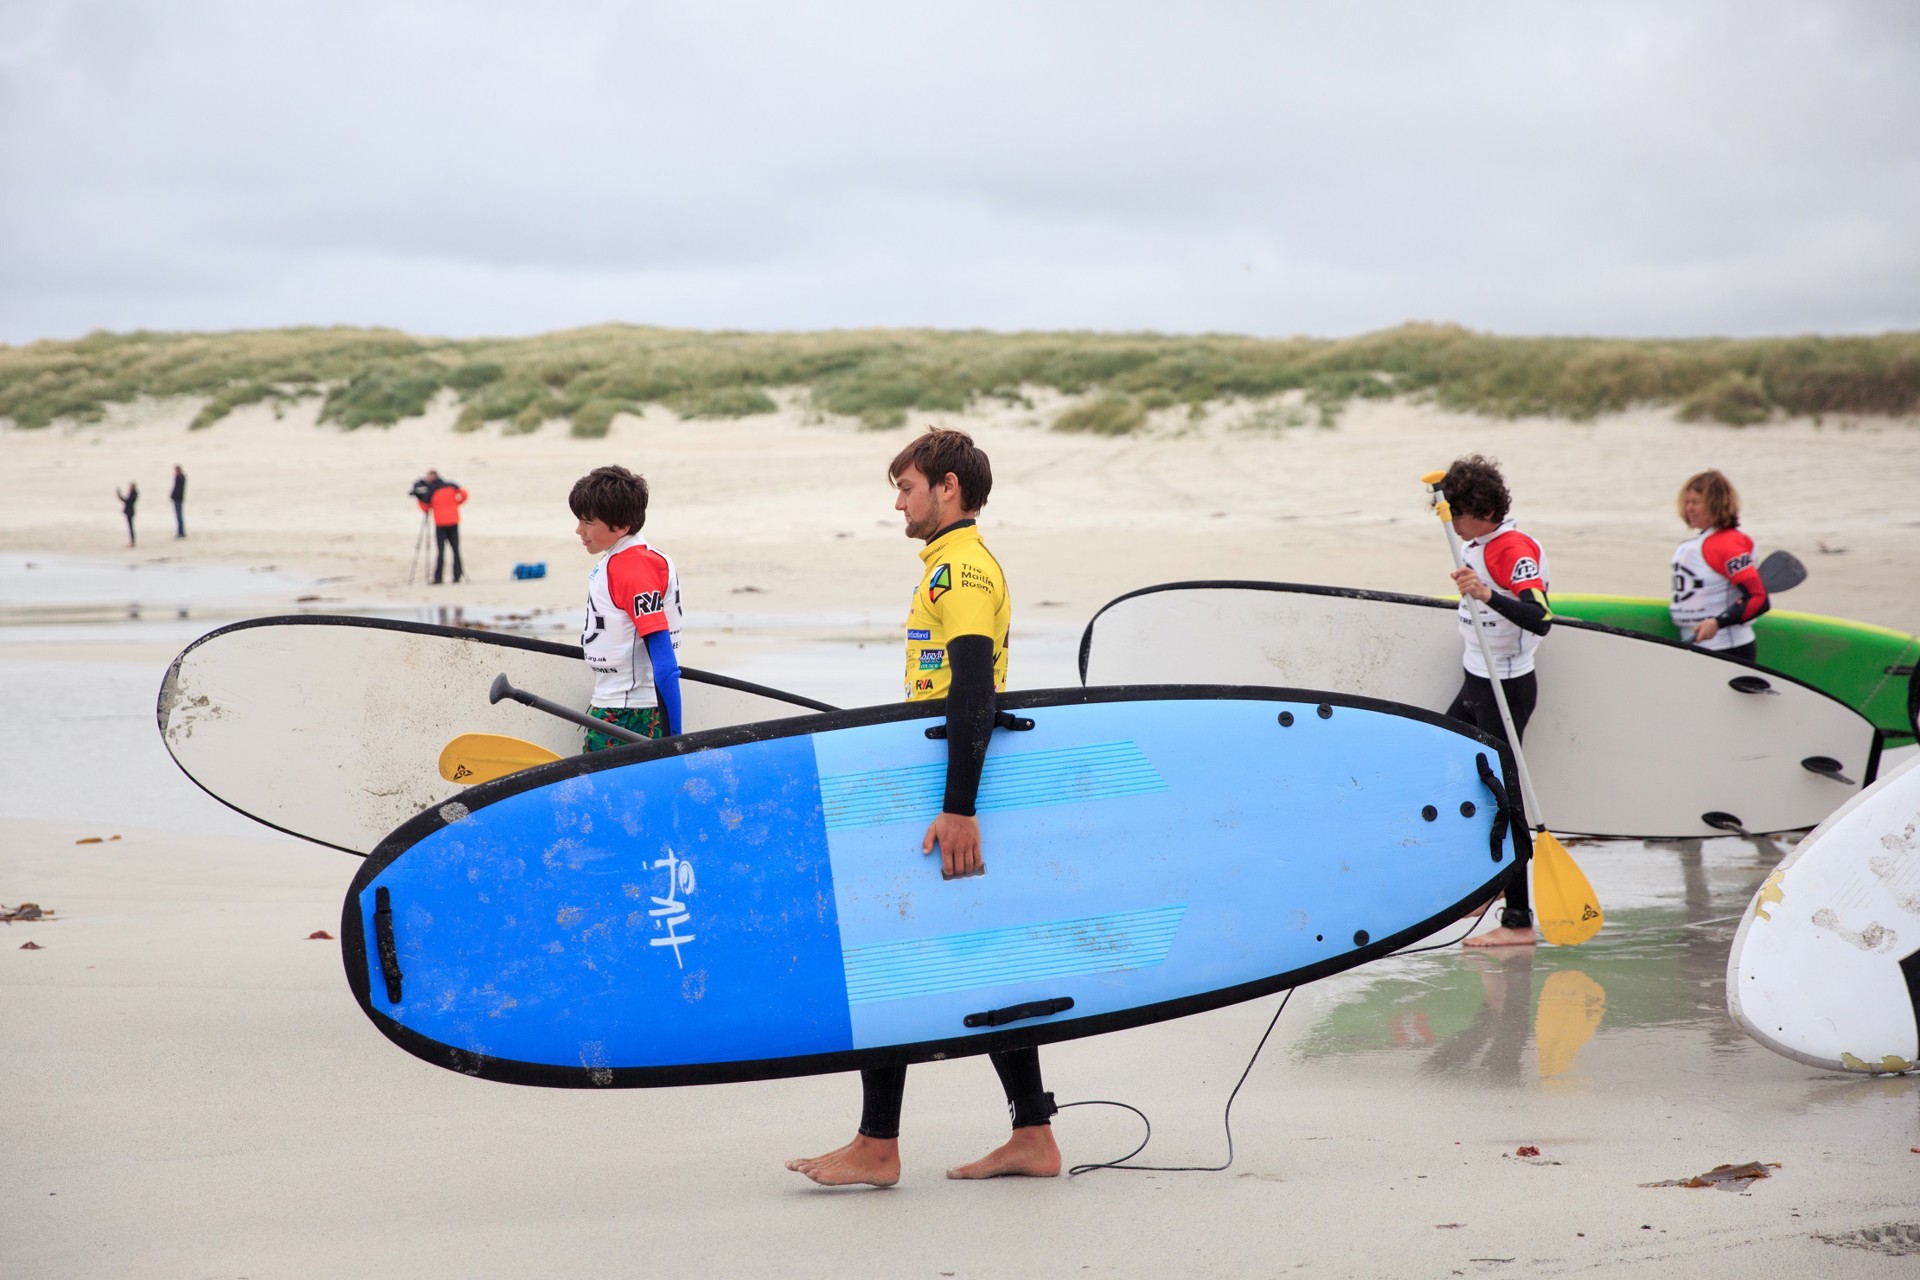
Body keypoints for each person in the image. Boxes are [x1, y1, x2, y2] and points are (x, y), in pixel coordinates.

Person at [787, 427, 1061, 1189]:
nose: (899, 503)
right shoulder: (949, 566)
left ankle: (881, 1144)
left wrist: (959, 807)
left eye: (906, 487)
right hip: (950, 782)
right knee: (981, 953)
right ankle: (1031, 1132)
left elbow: (976, 688)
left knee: (886, 953)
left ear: (948, 487)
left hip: (953, 791)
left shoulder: (961, 574)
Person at [1439, 455, 1553, 949]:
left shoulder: (1512, 549)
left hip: (1504, 687)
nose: (1454, 527)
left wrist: (1485, 593)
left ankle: (1519, 920)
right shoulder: (1481, 543)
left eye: (1456, 514)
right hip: (1477, 680)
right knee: (1444, 759)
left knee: (1505, 800)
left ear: (1480, 510)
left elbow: (1540, 615)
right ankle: (1489, 886)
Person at [569, 465, 682, 750]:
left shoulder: (633, 569)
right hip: (617, 705)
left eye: (588, 522)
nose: (579, 530)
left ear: (620, 526)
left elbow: (665, 663)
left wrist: (676, 741)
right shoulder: (625, 560)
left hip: (630, 715)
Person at [1670, 469, 1768, 664]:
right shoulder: (1701, 542)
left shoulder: (1726, 545)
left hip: (1728, 649)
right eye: (1687, 502)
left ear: (1714, 504)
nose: (1689, 508)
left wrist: (1718, 622)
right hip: (1698, 646)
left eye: (1695, 502)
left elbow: (1759, 599)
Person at [413, 469, 468, 584]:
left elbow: (426, 508)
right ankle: (457, 576)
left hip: (441, 524)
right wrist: (456, 503)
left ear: (432, 477)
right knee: (456, 550)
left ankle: (438, 578)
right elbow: (464, 494)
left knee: (441, 551)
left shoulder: (432, 491)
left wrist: (418, 498)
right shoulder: (450, 486)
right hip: (453, 521)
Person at [116, 482, 138, 546]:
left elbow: (127, 501)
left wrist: (119, 495)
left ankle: (132, 542)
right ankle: (132, 541)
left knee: (131, 527)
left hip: (130, 512)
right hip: (130, 511)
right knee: (130, 527)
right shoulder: (133, 494)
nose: (129, 488)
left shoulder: (134, 494)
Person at [169, 466, 187, 538]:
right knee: (178, 516)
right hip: (178, 498)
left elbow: (177, 489)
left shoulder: (180, 477)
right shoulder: (179, 477)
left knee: (179, 516)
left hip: (178, 499)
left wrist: (173, 496)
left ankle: (181, 532)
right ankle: (180, 531)